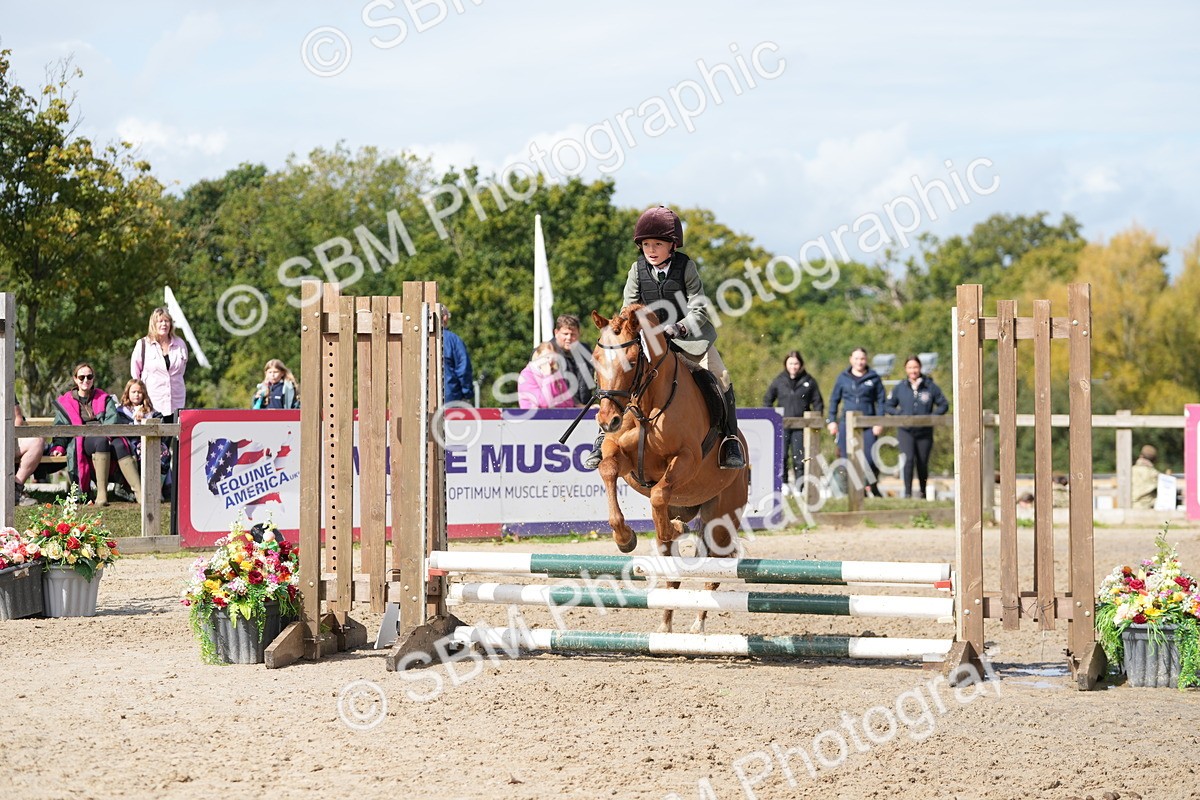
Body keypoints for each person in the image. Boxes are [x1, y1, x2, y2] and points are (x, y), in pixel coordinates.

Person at [584, 205, 745, 470]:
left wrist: (679, 328)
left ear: (672, 246)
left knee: (722, 376)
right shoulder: (636, 271)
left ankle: (729, 440)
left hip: (690, 339)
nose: (651, 250)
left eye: (658, 244)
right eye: (646, 244)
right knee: (613, 368)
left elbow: (700, 308)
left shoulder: (686, 268)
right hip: (648, 341)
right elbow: (627, 307)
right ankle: (603, 434)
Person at [50, 363, 140, 506]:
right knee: (101, 441)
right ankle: (102, 493)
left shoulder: (104, 398)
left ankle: (139, 493)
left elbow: (113, 419)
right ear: (75, 379)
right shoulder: (66, 402)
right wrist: (59, 447)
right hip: (83, 439)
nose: (86, 380)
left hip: (107, 434)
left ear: (93, 378)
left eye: (89, 376)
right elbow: (61, 427)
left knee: (120, 444)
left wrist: (107, 433)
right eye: (81, 377)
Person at [884, 355, 949, 499]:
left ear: (920, 368)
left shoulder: (930, 386)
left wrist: (932, 417)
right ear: (906, 369)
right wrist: (899, 414)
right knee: (907, 460)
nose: (913, 370)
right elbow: (888, 406)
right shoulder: (900, 387)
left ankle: (922, 492)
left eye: (915, 367)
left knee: (922, 462)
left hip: (924, 432)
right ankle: (907, 493)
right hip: (905, 431)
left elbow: (943, 404)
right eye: (910, 367)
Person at [826, 347, 886, 497]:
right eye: (857, 358)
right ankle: (855, 492)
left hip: (868, 424)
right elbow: (834, 400)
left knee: (870, 458)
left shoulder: (874, 378)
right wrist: (832, 420)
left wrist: (879, 422)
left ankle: (871, 485)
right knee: (848, 460)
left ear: (866, 360)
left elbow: (881, 401)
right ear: (851, 359)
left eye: (862, 359)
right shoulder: (843, 377)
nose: (859, 362)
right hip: (847, 424)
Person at [763, 350, 824, 493]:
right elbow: (767, 400)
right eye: (790, 363)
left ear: (800, 364)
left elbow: (818, 402)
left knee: (800, 457)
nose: (793, 366)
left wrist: (816, 419)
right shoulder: (779, 380)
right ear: (786, 364)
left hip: (802, 426)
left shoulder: (809, 381)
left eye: (796, 363)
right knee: (782, 455)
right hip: (782, 425)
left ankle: (800, 485)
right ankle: (783, 483)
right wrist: (770, 418)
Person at [130, 307, 188, 424]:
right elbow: (136, 375)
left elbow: (181, 371)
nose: (164, 324)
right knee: (154, 439)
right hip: (152, 402)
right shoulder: (143, 344)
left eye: (166, 321)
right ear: (153, 324)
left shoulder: (180, 344)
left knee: (174, 439)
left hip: (176, 400)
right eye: (160, 321)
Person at [116, 378, 169, 491]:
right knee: (140, 452)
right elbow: (122, 430)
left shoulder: (152, 412)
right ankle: (139, 489)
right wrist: (136, 422)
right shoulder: (120, 412)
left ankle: (156, 489)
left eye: (139, 392)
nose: (137, 395)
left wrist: (145, 418)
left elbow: (161, 428)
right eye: (133, 392)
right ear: (127, 393)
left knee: (164, 451)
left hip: (152, 441)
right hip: (130, 444)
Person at [550, 314, 596, 407]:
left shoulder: (586, 351)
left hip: (585, 409)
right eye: (565, 334)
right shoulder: (545, 353)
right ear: (556, 332)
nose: (569, 338)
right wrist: (578, 406)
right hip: (556, 412)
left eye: (573, 334)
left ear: (579, 333)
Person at [517, 342, 575, 409]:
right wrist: (547, 376)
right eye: (546, 357)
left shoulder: (555, 374)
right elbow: (543, 403)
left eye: (553, 358)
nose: (550, 361)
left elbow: (569, 403)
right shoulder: (527, 375)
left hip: (556, 416)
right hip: (534, 417)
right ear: (538, 356)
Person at [441, 305, 474, 404]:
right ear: (445, 317)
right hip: (450, 398)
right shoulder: (453, 340)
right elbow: (463, 370)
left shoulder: (418, 341)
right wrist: (467, 393)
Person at [14, 403, 43, 506]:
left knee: (37, 441)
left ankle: (15, 490)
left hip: (7, 436)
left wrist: (8, 437)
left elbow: (18, 417)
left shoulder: (5, 388)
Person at [1131, 444, 1161, 509]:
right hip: (1148, 508)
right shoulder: (1154, 473)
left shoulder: (1131, 471)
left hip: (1131, 507)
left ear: (1141, 456)